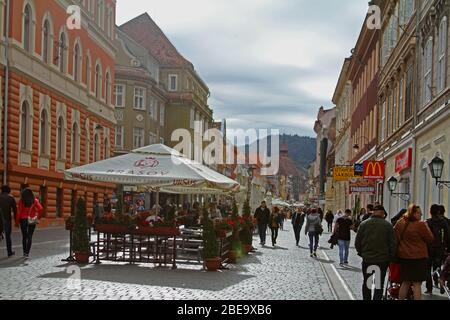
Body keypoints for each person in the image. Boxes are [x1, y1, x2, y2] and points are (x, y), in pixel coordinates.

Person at [355, 205, 396, 300]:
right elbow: (392, 243)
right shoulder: (387, 225)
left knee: (367, 283)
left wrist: (362, 253)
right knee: (378, 284)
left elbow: (357, 242)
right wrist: (390, 256)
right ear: (382, 213)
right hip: (382, 260)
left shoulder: (364, 224)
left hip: (368, 259)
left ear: (373, 212)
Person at [394, 204, 434, 300]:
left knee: (405, 282)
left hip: (404, 257)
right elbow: (430, 239)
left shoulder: (400, 223)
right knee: (417, 284)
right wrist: (426, 227)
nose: (421, 215)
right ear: (413, 213)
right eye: (419, 213)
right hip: (418, 258)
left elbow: (395, 237)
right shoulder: (420, 225)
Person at [425, 204, 450, 294]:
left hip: (428, 248)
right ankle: (439, 282)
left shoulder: (427, 222)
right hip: (439, 249)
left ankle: (429, 288)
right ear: (439, 212)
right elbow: (447, 235)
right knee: (438, 267)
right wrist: (447, 247)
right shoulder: (443, 222)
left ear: (430, 212)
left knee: (428, 268)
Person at [16, 188, 44, 258]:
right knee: (30, 236)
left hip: (23, 220)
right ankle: (27, 253)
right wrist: (38, 218)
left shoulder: (21, 201)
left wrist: (17, 222)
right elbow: (41, 209)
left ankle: (24, 252)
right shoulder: (35, 201)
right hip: (32, 219)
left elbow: (19, 212)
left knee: (24, 237)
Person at [0, 185, 17, 257]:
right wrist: (16, 220)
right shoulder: (11, 198)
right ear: (9, 190)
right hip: (7, 219)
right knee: (8, 236)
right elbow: (15, 210)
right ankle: (9, 252)